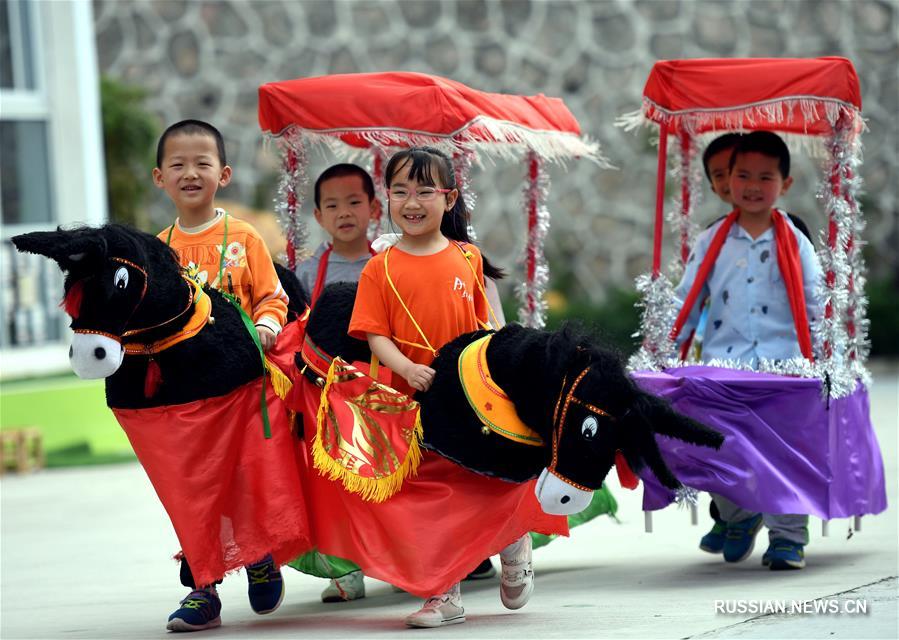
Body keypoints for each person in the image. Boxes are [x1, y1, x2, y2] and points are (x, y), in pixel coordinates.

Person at [348, 147, 529, 627]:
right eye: (401, 191)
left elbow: (484, 326)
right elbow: (374, 334)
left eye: (425, 191)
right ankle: (443, 596)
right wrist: (406, 369)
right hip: (410, 402)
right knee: (426, 497)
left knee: (484, 480)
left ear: (448, 200)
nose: (412, 201)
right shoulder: (379, 267)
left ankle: (514, 542)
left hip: (467, 398)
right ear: (386, 197)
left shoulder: (468, 258)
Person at [152, 119, 289, 630]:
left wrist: (267, 326)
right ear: (158, 177)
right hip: (183, 401)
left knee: (242, 482)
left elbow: (274, 295)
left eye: (202, 163)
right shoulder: (157, 251)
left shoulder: (244, 237)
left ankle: (258, 557)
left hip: (238, 392)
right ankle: (202, 591)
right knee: (194, 492)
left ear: (224, 174)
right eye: (178, 164)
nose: (191, 173)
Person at [672, 131, 822, 571]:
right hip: (725, 366)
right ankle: (738, 515)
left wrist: (825, 354)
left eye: (765, 177)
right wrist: (666, 348)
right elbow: (688, 299)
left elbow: (814, 299)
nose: (753, 186)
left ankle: (788, 538)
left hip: (784, 365)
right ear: (727, 182)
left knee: (785, 453)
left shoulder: (793, 239)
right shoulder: (711, 239)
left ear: (785, 184)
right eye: (742, 176)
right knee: (716, 446)